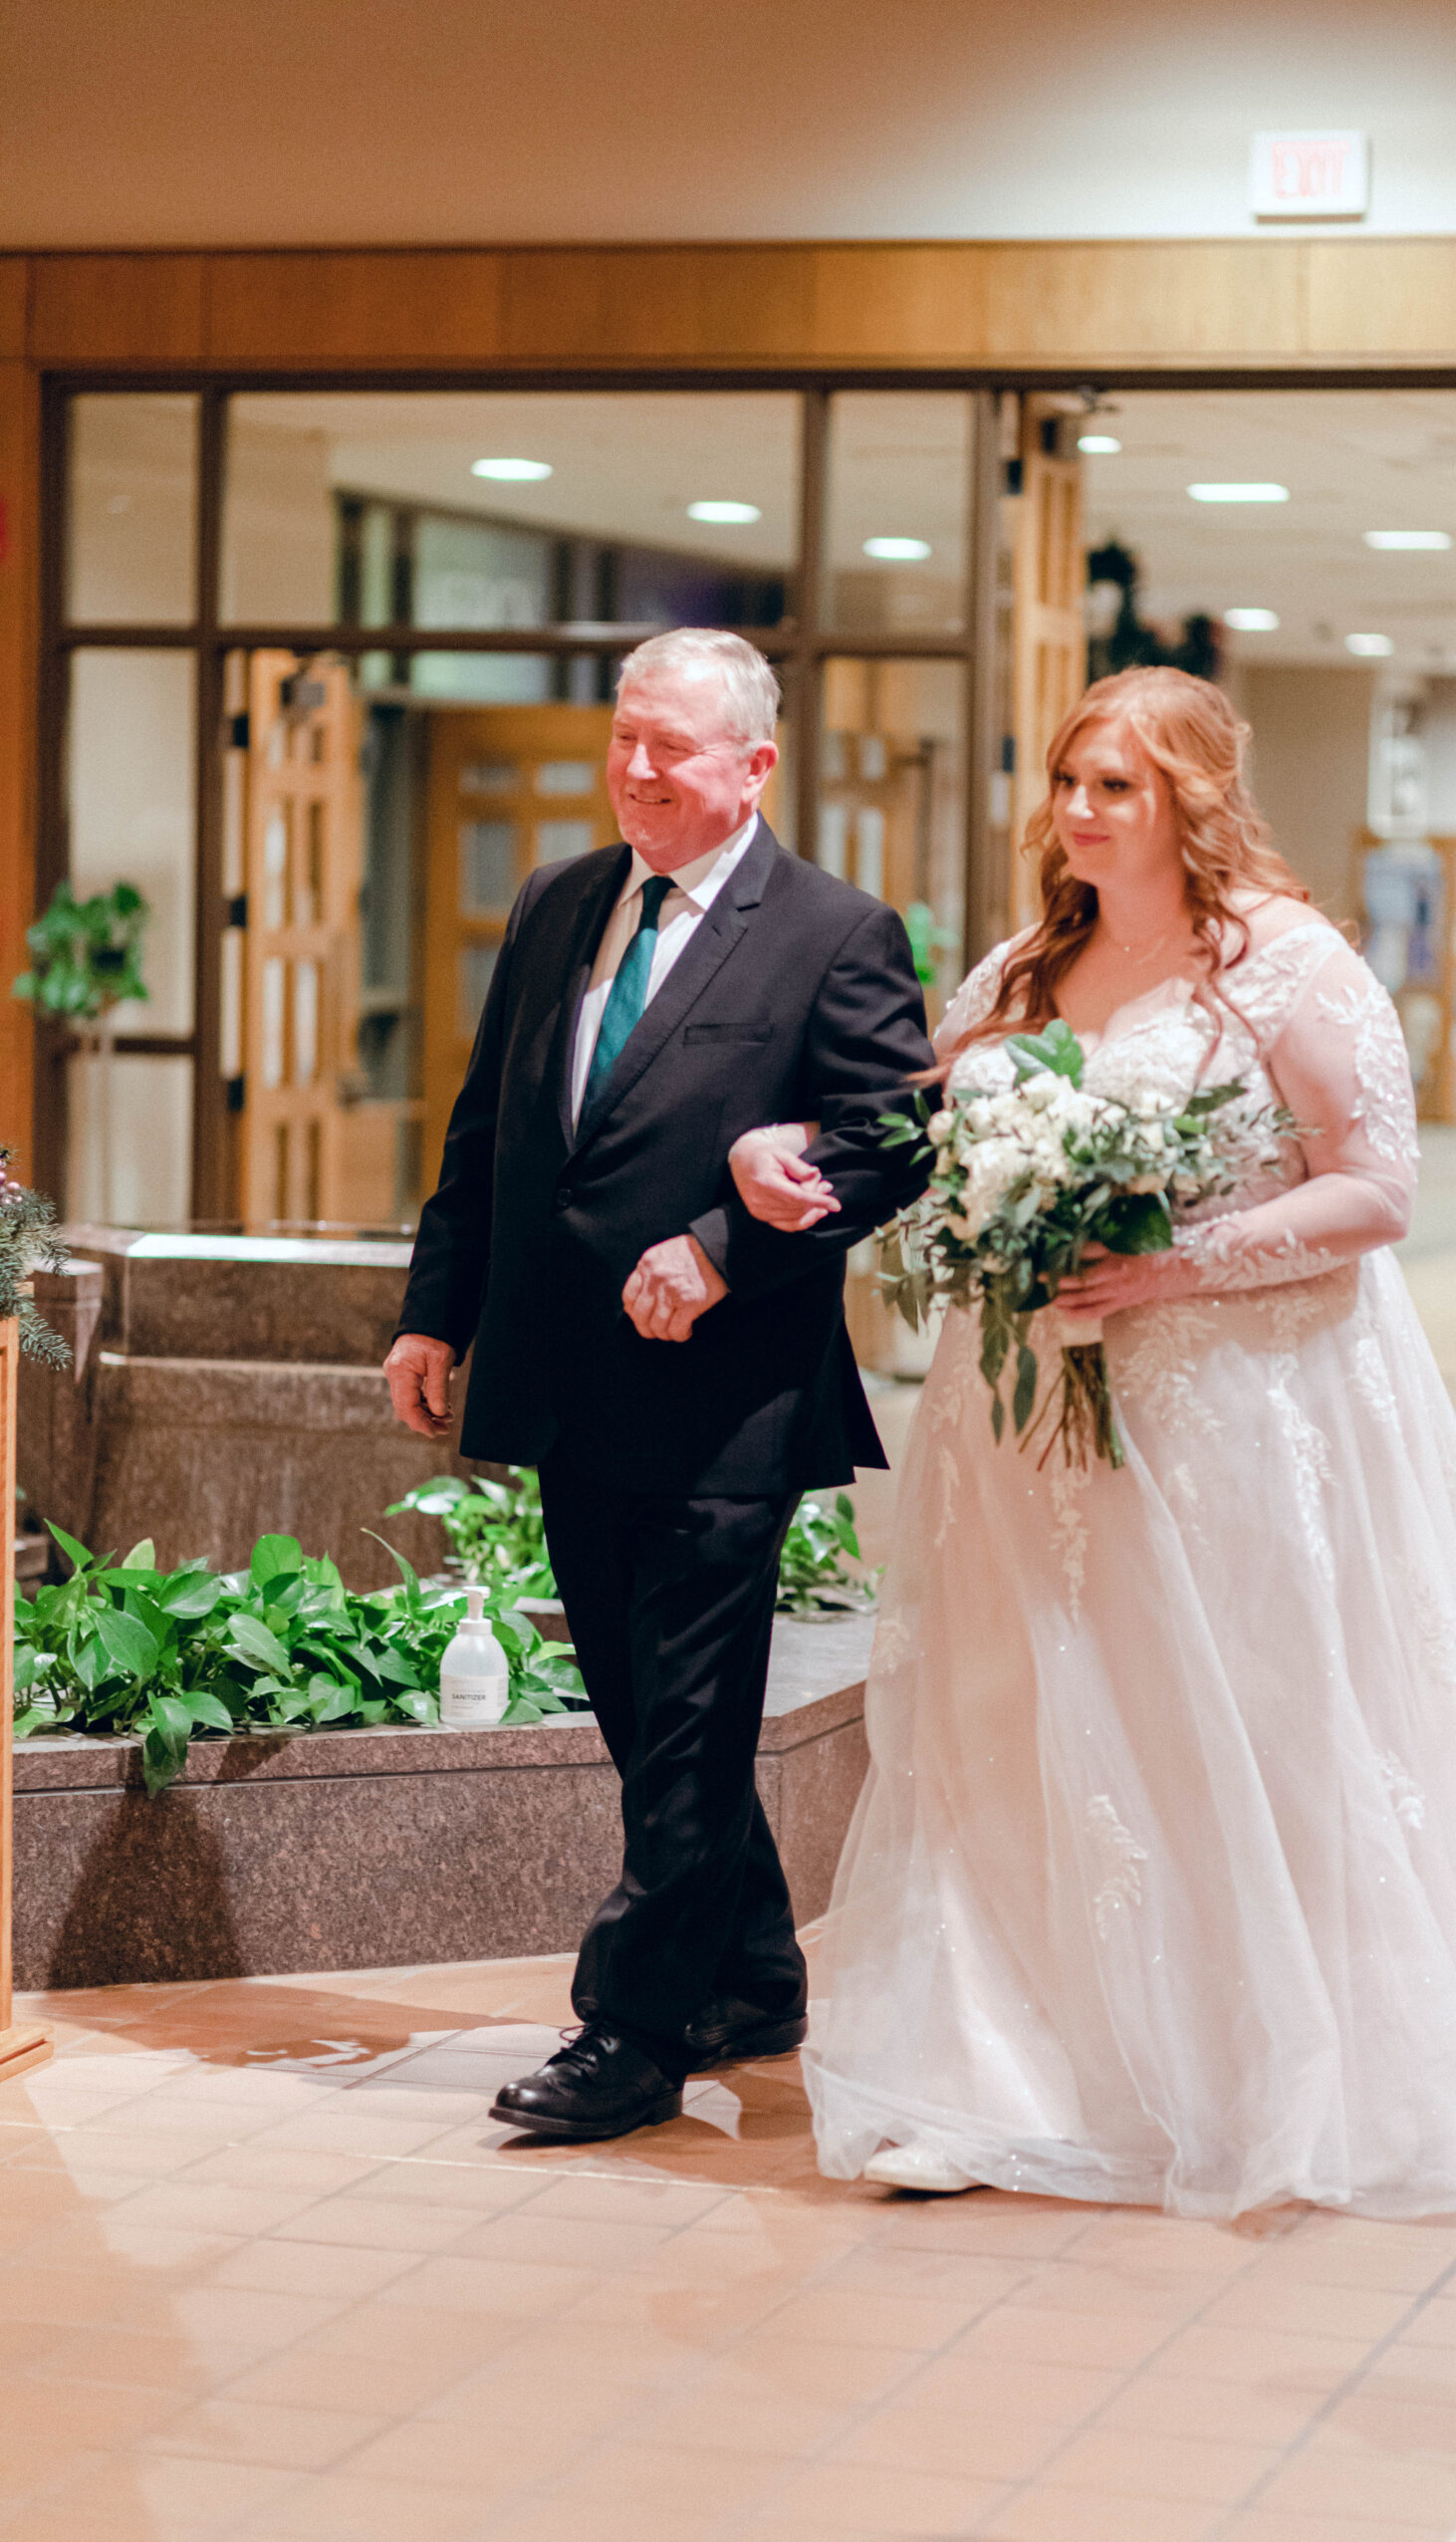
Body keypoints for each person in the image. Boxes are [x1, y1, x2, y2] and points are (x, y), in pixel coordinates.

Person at [732, 665, 1456, 2213]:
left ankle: (1262, 2059)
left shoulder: (1289, 967)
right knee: (1016, 1712)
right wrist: (795, 1151)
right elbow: (925, 1140)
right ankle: (1005, 2073)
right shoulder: (1021, 973)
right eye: (1068, 781)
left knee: (1233, 1714)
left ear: (1192, 797)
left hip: (1222, 1412)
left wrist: (1177, 1264)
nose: (1080, 810)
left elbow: (1377, 1189)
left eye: (1116, 784)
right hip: (1026, 1416)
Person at [384, 628, 933, 2143]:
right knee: (642, 1713)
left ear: (754, 765)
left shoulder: (834, 931)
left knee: (686, 1719)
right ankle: (753, 1972)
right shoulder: (558, 901)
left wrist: (721, 1249)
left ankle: (630, 2031)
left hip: (725, 1397)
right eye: (623, 737)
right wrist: (436, 1314)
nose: (634, 769)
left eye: (669, 747)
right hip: (567, 1381)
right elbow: (492, 1130)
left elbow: (887, 1145)